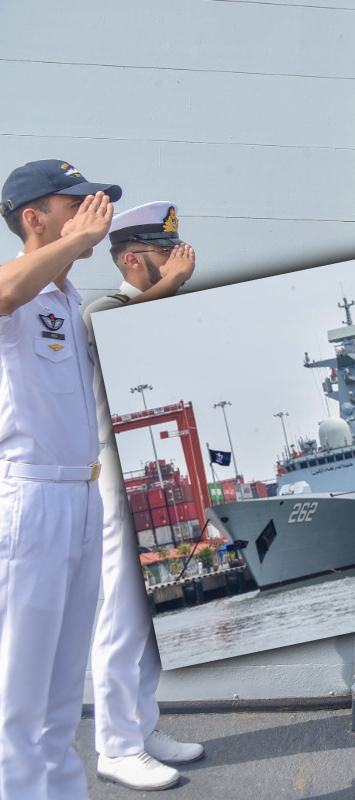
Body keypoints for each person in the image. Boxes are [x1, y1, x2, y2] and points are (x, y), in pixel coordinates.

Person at [0, 160, 119, 799]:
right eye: (75, 203)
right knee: (16, 693)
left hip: (82, 494)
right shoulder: (18, 292)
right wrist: (78, 243)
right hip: (32, 496)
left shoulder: (69, 299)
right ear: (33, 218)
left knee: (62, 691)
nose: (93, 212)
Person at [85, 202, 201, 791]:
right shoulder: (103, 309)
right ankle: (115, 746)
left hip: (146, 478)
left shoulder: (158, 311)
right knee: (123, 617)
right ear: (132, 259)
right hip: (112, 475)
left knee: (153, 618)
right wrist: (172, 287)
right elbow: (114, 333)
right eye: (166, 252)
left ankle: (143, 728)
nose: (180, 259)